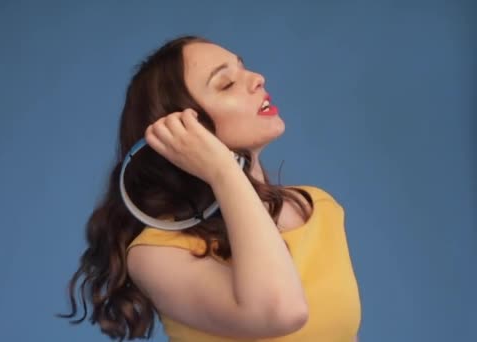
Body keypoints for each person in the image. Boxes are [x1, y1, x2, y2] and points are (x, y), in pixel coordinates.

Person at [59, 35, 362, 341]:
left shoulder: (315, 207)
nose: (258, 79)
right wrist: (223, 171)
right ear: (182, 130)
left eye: (244, 69)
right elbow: (282, 312)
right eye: (226, 84)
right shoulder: (156, 253)